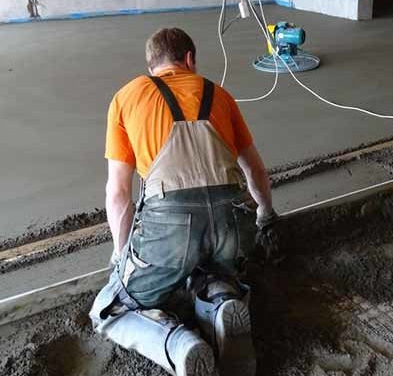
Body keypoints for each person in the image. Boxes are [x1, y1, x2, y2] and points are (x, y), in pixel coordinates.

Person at [89, 27, 276, 376]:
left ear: (151, 66)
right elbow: (256, 170)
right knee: (211, 267)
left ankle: (180, 345)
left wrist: (121, 254)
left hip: (170, 229)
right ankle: (221, 301)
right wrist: (266, 216)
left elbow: (118, 193)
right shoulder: (220, 95)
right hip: (232, 223)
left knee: (109, 310)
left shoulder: (127, 97)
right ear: (189, 59)